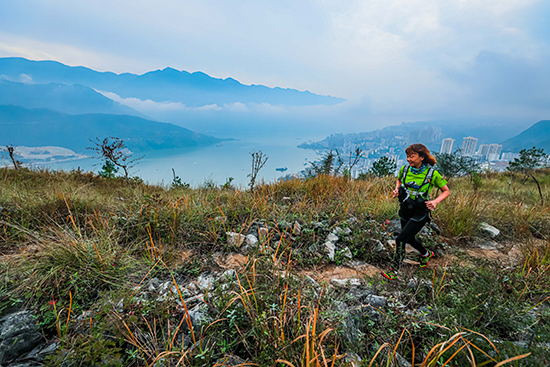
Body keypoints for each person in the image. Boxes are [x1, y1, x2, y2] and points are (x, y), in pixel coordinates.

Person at [381, 143, 450, 280]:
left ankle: (394, 270)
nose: (408, 159)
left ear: (422, 157)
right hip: (406, 208)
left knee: (401, 239)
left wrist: (435, 202)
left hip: (420, 212)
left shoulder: (432, 174)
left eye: (412, 156)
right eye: (407, 156)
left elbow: (446, 191)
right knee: (409, 238)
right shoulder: (405, 170)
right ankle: (426, 254)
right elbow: (399, 180)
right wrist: (397, 189)